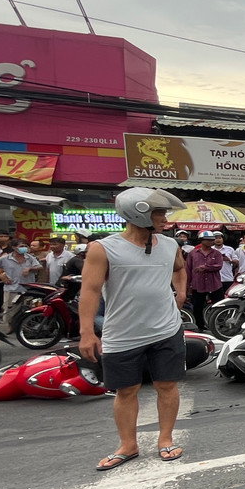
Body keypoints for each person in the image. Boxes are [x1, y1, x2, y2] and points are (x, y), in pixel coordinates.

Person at [79, 188, 189, 471]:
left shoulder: (170, 245)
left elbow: (179, 269)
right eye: (158, 213)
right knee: (126, 390)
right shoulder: (103, 248)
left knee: (167, 385)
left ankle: (165, 439)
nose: (165, 218)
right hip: (122, 333)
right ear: (137, 213)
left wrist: (180, 293)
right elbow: (90, 290)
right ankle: (128, 445)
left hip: (166, 329)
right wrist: (87, 332)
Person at [0, 240, 41, 331]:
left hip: (27, 288)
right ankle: (10, 326)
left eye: (25, 246)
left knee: (27, 308)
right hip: (11, 287)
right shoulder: (5, 258)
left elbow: (39, 267)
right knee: (9, 309)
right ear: (14, 247)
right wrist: (1, 276)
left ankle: (24, 326)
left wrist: (30, 269)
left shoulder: (30, 258)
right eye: (21, 246)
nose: (24, 248)